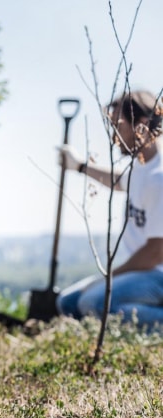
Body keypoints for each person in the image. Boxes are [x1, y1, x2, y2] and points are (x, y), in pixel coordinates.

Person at [56, 90, 163, 329]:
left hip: (157, 273)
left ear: (142, 126)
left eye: (119, 126)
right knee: (68, 303)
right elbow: (119, 181)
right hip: (143, 271)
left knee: (92, 304)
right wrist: (80, 167)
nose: (115, 136)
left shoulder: (159, 179)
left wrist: (108, 277)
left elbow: (155, 253)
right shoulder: (141, 168)